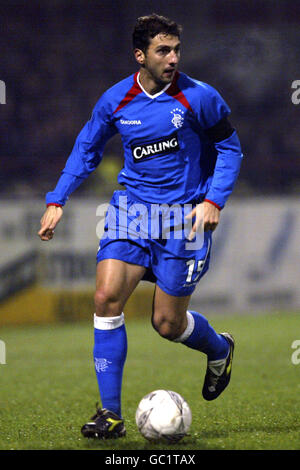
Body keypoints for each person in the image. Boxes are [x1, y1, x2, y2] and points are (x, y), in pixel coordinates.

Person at [38, 13, 243, 439]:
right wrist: (57, 199)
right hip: (131, 213)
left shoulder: (200, 97)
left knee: (167, 324)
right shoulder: (116, 100)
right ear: (140, 55)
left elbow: (230, 149)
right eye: (162, 51)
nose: (172, 59)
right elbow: (86, 148)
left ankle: (220, 349)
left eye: (176, 50)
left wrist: (212, 201)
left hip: (183, 218)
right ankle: (110, 416)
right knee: (105, 297)